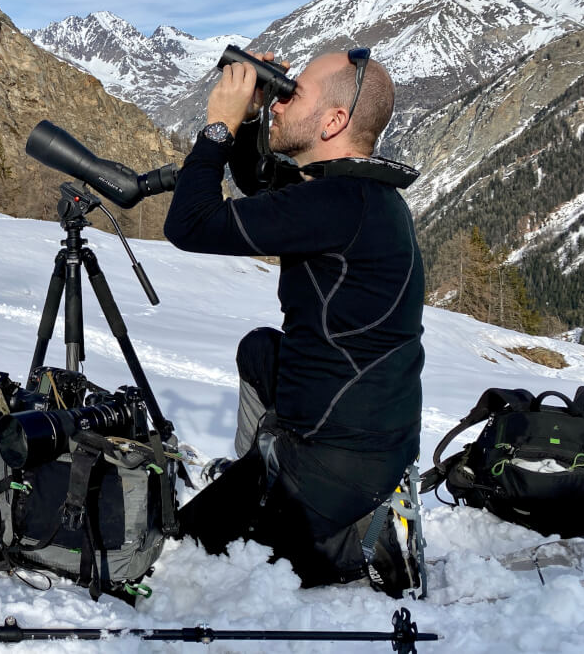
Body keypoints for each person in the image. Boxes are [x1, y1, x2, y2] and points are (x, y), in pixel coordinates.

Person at [162, 49, 425, 592]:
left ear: (334, 121)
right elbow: (262, 186)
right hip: (369, 426)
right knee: (261, 349)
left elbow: (190, 225)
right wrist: (254, 114)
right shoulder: (355, 193)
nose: (281, 101)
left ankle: (355, 536)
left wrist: (218, 126)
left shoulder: (337, 202)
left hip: (338, 456)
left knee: (185, 548)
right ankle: (266, 472)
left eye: (292, 93)